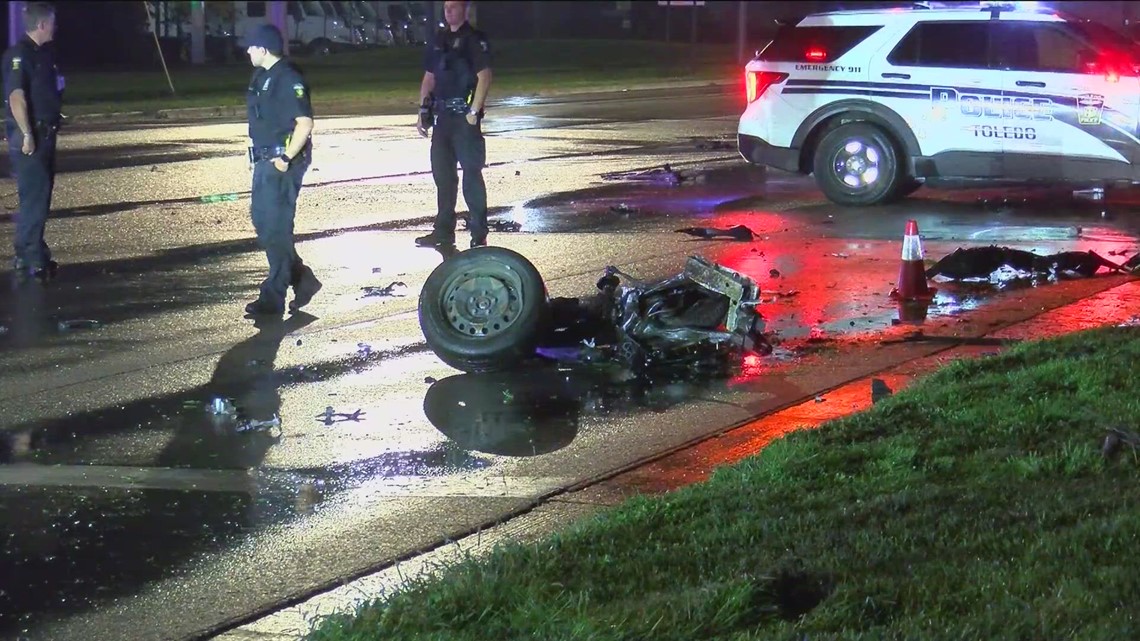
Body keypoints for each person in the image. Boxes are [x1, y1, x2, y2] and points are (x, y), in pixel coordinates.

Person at [243, 24, 322, 317]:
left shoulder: (288, 78)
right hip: (265, 159)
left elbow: (304, 122)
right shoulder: (260, 76)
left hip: (283, 162)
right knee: (263, 223)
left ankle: (272, 297)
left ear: (263, 49)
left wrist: (286, 158)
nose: (247, 51)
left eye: (251, 46)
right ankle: (302, 278)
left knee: (277, 227)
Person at [414, 0, 493, 250]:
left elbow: (484, 76)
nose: (448, 11)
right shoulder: (440, 39)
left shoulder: (473, 39)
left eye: (454, 7)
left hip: (464, 119)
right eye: (446, 7)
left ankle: (479, 232)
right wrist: (423, 110)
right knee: (443, 177)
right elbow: (429, 77)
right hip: (443, 119)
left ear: (465, 10)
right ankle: (443, 231)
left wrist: (474, 110)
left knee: (471, 176)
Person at [3, 2, 62, 280]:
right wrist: (27, 134)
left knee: (36, 198)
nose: (54, 27)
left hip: (45, 132)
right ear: (41, 25)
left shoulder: (44, 54)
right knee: (35, 200)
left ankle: (27, 253)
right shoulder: (20, 54)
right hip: (32, 136)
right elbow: (17, 97)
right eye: (52, 22)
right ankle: (33, 257)